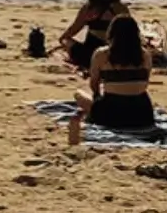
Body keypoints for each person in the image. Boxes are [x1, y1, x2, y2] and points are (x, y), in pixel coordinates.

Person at [66, 15, 155, 144]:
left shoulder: (102, 54)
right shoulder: (145, 55)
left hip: (112, 113)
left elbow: (94, 83)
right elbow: (145, 82)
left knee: (78, 95)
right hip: (142, 114)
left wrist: (98, 97)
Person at [57, 0, 131, 73]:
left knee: (66, 41)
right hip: (116, 55)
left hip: (90, 56)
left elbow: (71, 31)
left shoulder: (89, 9)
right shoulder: (121, 9)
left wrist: (62, 40)